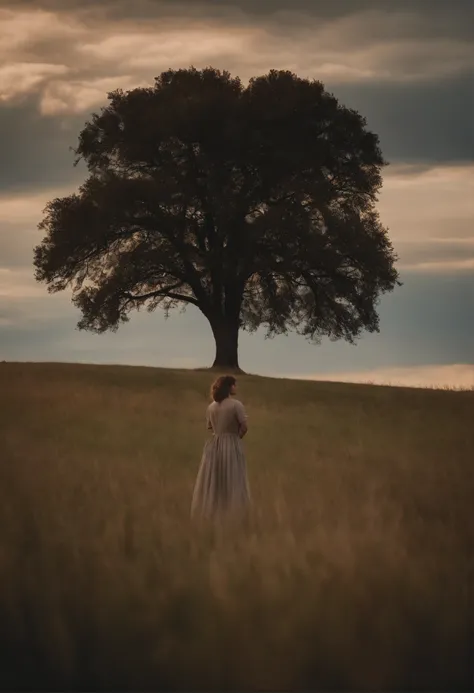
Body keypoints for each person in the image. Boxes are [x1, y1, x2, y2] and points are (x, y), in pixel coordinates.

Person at [191, 375, 251, 522]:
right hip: (231, 442)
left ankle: (214, 512)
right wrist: (237, 437)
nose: (236, 388)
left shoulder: (211, 407)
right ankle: (235, 513)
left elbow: (210, 427)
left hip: (215, 444)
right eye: (234, 385)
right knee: (233, 477)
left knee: (215, 479)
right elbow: (244, 426)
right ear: (229, 387)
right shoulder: (236, 405)